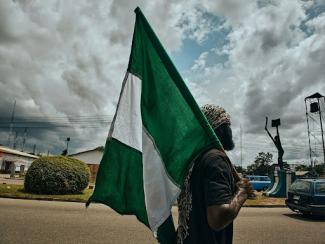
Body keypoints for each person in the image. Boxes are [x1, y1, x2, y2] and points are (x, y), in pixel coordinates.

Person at [177, 104, 254, 244]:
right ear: (220, 128)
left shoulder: (194, 159)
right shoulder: (215, 159)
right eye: (227, 124)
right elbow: (217, 218)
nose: (230, 130)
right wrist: (242, 193)